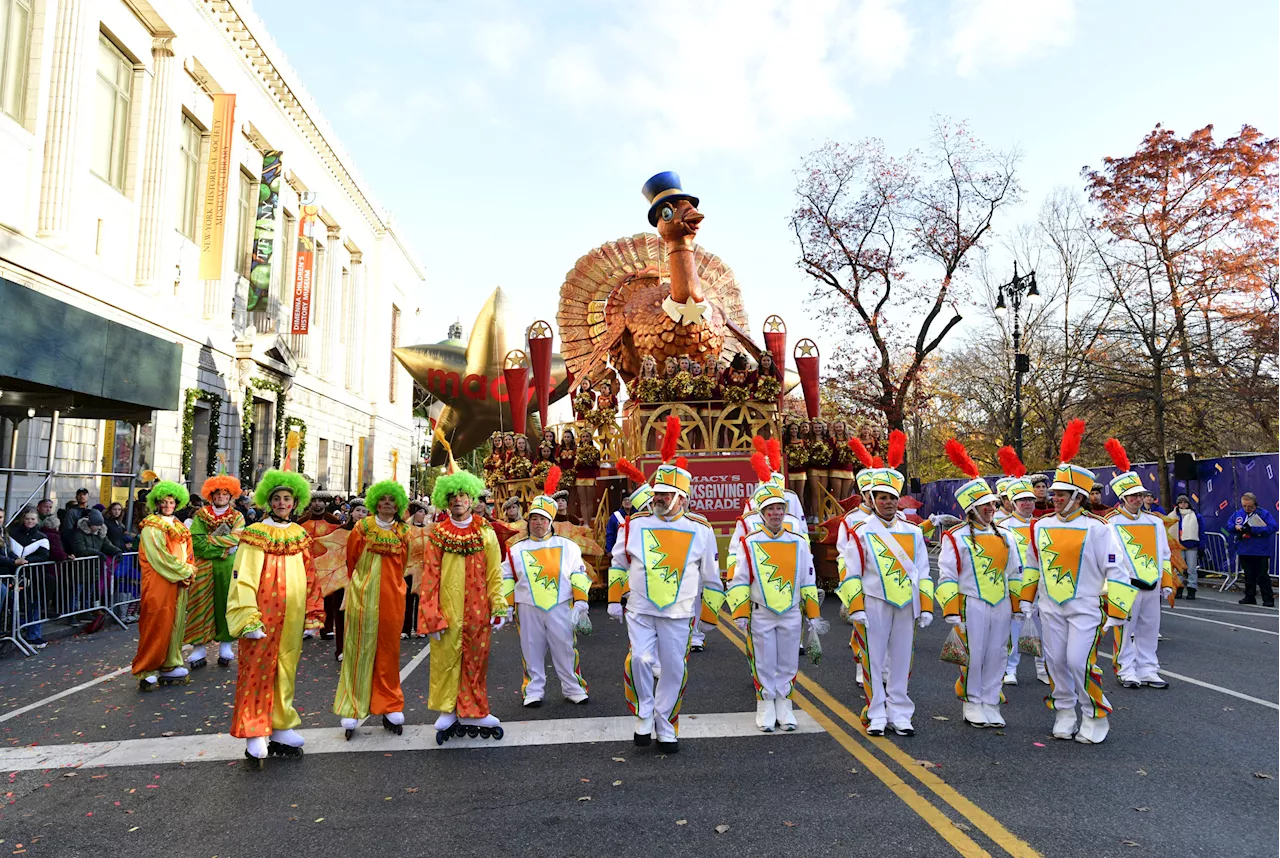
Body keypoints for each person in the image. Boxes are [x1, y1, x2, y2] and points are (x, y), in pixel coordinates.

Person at [1020, 421, 1134, 744]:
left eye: (1062, 493)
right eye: (1054, 492)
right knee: (1055, 662)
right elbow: (1033, 565)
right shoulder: (1040, 527)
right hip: (1049, 606)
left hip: (1085, 606)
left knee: (1078, 660)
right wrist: (1025, 600)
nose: (1055, 498)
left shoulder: (1098, 529)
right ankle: (1065, 711)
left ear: (1078, 497)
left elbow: (1117, 570)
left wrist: (1117, 610)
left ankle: (1095, 713)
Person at [607, 453, 723, 753]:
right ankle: (644, 712)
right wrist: (612, 598)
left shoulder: (701, 529)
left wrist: (709, 616)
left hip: (679, 612)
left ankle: (665, 723)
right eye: (657, 492)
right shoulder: (634, 525)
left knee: (673, 669)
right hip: (640, 609)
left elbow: (711, 577)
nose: (659, 498)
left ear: (682, 498)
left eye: (667, 494)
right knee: (641, 660)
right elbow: (618, 563)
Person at [835, 431, 933, 738]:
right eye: (882, 498)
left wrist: (926, 606)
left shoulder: (913, 532)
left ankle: (901, 712)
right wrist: (856, 606)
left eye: (892, 498)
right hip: (874, 601)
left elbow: (923, 571)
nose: (888, 503)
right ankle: (876, 712)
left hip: (906, 605)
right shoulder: (861, 531)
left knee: (902, 661)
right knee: (873, 660)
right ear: (872, 500)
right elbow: (849, 572)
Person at [227, 470, 325, 765]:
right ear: (268, 501)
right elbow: (242, 577)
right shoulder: (256, 533)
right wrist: (248, 617)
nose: (282, 503)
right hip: (263, 613)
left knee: (286, 666)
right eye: (277, 498)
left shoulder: (299, 534)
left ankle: (281, 724)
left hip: (292, 616)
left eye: (287, 499)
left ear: (295, 502)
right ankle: (255, 730)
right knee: (257, 668)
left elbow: (310, 575)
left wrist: (311, 610)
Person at [418, 462, 508, 743]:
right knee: (445, 657)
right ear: (446, 501)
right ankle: (447, 708)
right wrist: (430, 614)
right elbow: (430, 576)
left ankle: (474, 708)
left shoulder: (486, 532)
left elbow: (495, 572)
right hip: (447, 607)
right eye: (453, 496)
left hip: (478, 607)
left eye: (463, 496)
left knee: (476, 660)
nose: (458, 500)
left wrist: (499, 603)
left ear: (471, 499)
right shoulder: (438, 534)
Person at [937, 440, 1024, 729]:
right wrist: (951, 610)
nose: (991, 509)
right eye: (985, 505)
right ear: (972, 509)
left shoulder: (1006, 537)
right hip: (971, 603)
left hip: (999, 603)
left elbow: (1014, 573)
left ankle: (990, 699)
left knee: (998, 652)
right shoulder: (956, 537)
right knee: (973, 653)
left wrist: (1017, 604)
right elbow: (947, 575)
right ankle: (972, 701)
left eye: (993, 504)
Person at [727, 483, 821, 733]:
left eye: (780, 508)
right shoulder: (749, 542)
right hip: (760, 611)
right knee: (764, 660)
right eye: (771, 509)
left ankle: (785, 703)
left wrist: (812, 614)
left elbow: (807, 579)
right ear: (762, 513)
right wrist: (739, 612)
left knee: (788, 660)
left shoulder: (799, 541)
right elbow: (740, 579)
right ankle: (765, 703)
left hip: (790, 611)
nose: (776, 513)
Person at [502, 467, 591, 708]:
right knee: (530, 650)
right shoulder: (515, 549)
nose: (538, 523)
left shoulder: (568, 546)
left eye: (542, 519)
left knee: (565, 647)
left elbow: (578, 573)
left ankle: (573, 687)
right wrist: (507, 606)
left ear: (550, 522)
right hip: (528, 607)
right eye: (534, 519)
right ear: (528, 521)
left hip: (560, 604)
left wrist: (581, 601)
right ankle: (533, 690)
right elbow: (506, 577)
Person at [335, 480, 413, 738]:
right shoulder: (362, 527)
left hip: (393, 598)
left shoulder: (404, 531)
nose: (388, 503)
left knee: (389, 650)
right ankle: (352, 706)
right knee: (358, 648)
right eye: (383, 499)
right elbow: (351, 559)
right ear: (375, 502)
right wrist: (362, 585)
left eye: (393, 499)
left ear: (398, 504)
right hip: (363, 596)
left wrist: (393, 586)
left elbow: (405, 563)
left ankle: (389, 704)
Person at [1103, 439, 1175, 690]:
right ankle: (1126, 669)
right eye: (1132, 495)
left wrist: (1166, 582)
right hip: (1125, 586)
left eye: (1140, 495)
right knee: (1124, 630)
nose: (1137, 499)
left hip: (1152, 584)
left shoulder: (1155, 522)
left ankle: (1148, 669)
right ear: (1123, 497)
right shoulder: (1111, 523)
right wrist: (1116, 584)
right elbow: (1109, 557)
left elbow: (1164, 554)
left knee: (1149, 628)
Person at [131, 481, 197, 692]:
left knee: (175, 623)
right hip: (159, 582)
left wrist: (188, 568)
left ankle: (169, 664)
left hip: (177, 582)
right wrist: (184, 570)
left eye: (171, 501)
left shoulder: (178, 525)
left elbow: (188, 552)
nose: (168, 505)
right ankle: (147, 668)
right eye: (164, 502)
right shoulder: (152, 526)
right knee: (156, 623)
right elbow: (159, 556)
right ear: (157, 503)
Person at [184, 476, 246, 669]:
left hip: (227, 567)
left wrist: (211, 540)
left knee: (226, 603)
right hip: (204, 566)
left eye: (225, 493)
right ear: (211, 494)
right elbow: (197, 542)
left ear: (231, 495)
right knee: (199, 604)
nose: (221, 496)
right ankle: (199, 648)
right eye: (217, 493)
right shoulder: (201, 515)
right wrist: (223, 549)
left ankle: (225, 645)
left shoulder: (237, 516)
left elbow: (236, 538)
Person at [7, 507, 51, 649]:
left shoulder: (42, 537)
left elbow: (44, 556)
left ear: (37, 520)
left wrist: (27, 561)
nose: (29, 521)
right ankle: (17, 630)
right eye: (27, 519)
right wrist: (16, 561)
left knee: (33, 605)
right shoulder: (12, 534)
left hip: (33, 576)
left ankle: (34, 635)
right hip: (14, 575)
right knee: (13, 604)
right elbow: (7, 552)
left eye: (32, 519)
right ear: (22, 519)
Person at [1229, 492, 1276, 607]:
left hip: (1260, 550)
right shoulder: (1238, 514)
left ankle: (1268, 598)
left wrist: (1254, 529)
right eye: (1244, 506)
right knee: (1249, 575)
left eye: (1249, 506)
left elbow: (1273, 527)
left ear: (1254, 503)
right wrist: (1235, 527)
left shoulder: (1263, 513)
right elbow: (1228, 526)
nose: (1247, 508)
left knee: (1262, 575)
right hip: (1245, 549)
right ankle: (1250, 596)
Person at [1173, 495, 1203, 599]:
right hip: (1178, 545)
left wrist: (1202, 546)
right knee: (1179, 569)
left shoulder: (1196, 516)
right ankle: (1179, 589)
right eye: (1180, 502)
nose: (1183, 504)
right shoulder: (1174, 516)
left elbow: (1201, 531)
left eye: (1185, 502)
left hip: (1192, 545)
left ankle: (1191, 589)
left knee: (1192, 569)